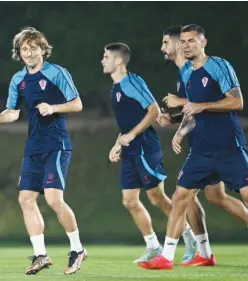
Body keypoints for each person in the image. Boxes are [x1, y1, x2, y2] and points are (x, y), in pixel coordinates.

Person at [139, 24, 248, 270]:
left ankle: (198, 253)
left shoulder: (219, 66)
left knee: (241, 195)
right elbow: (193, 112)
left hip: (228, 146)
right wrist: (177, 124)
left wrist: (191, 104)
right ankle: (167, 257)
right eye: (184, 41)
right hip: (200, 150)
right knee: (180, 197)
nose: (186, 45)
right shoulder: (186, 73)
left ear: (203, 42)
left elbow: (236, 102)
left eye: (191, 41)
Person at [101, 42, 197, 264]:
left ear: (118, 60)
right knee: (129, 200)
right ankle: (153, 245)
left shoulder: (131, 82)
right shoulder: (115, 88)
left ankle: (190, 239)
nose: (102, 61)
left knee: (156, 197)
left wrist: (132, 135)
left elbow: (153, 110)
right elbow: (126, 124)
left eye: (106, 57)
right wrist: (118, 144)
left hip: (144, 146)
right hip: (129, 148)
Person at [2, 27, 87, 275]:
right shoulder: (18, 80)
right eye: (24, 49)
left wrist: (53, 107)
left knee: (52, 199)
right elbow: (12, 113)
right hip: (33, 146)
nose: (29, 53)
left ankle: (77, 249)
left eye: (33, 47)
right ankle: (41, 255)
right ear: (19, 53)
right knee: (25, 199)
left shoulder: (56, 72)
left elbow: (77, 104)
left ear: (43, 49)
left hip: (56, 143)